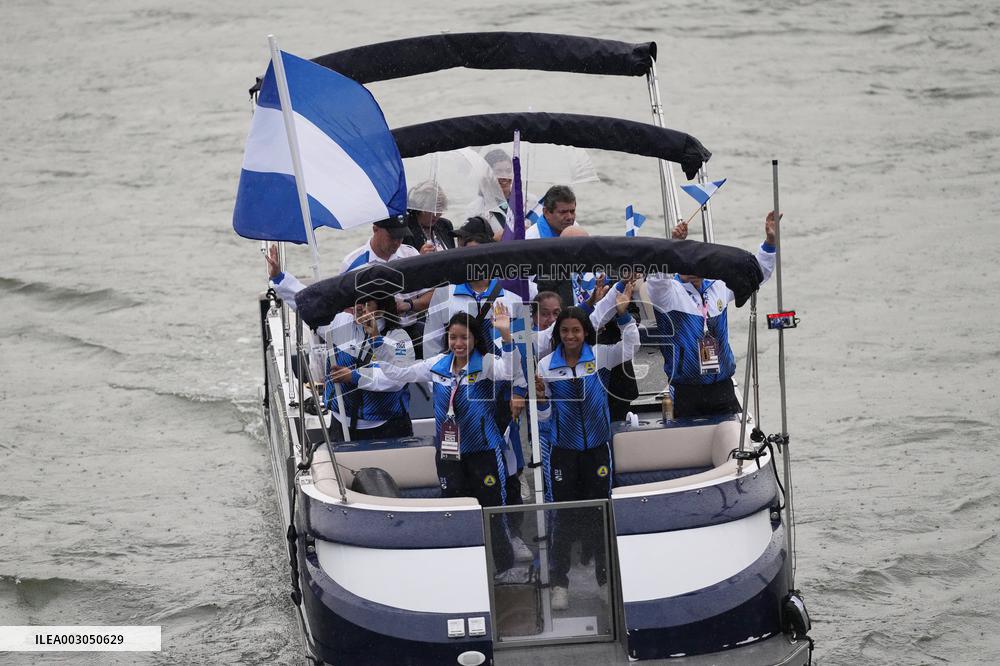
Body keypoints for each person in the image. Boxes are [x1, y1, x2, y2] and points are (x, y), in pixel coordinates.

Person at [375, 306, 521, 576]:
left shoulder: (487, 364)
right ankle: (464, 566)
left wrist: (506, 334)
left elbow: (512, 371)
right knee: (454, 511)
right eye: (453, 337)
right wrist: (376, 342)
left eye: (464, 337)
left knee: (492, 512)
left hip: (484, 451)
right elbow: (397, 374)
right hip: (449, 454)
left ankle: (504, 566)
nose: (458, 343)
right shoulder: (436, 366)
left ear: (475, 339)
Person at [536, 284, 639, 610]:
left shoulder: (600, 356)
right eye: (564, 331)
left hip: (597, 448)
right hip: (562, 451)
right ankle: (559, 584)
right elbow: (545, 416)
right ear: (558, 334)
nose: (570, 336)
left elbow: (631, 347)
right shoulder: (545, 367)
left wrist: (623, 318)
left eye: (576, 330)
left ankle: (605, 579)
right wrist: (540, 403)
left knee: (600, 513)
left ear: (585, 332)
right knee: (563, 517)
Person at [644, 212, 779, 418]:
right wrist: (672, 245)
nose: (691, 266)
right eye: (684, 262)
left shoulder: (718, 287)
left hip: (722, 388)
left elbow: (755, 275)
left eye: (696, 262)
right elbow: (655, 282)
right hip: (686, 391)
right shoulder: (669, 293)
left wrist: (770, 242)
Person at [323, 295, 415, 440]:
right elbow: (310, 309)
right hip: (340, 425)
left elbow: (398, 378)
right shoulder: (341, 321)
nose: (359, 307)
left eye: (367, 303)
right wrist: (279, 280)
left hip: (386, 429)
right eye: (357, 301)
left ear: (383, 308)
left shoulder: (399, 338)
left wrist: (354, 376)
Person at [403, 181, 454, 253]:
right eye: (431, 209)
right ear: (420, 206)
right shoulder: (405, 229)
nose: (435, 215)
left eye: (439, 209)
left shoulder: (445, 225)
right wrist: (419, 257)